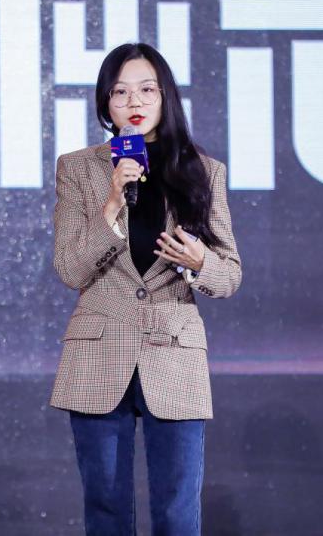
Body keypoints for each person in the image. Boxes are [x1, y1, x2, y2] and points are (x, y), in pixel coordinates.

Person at [50, 42, 242, 535]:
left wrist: (200, 262)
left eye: (146, 90)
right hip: (98, 353)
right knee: (106, 510)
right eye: (120, 92)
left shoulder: (204, 172)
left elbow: (229, 275)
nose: (134, 102)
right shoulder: (79, 169)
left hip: (174, 353)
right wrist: (112, 203)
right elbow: (70, 268)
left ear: (165, 96)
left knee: (177, 512)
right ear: (105, 103)